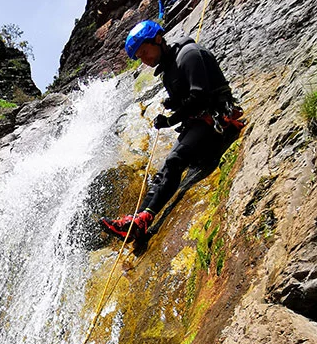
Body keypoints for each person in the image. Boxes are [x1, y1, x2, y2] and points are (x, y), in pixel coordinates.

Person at [100, 20, 244, 244]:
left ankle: (141, 221)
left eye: (145, 52)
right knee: (165, 171)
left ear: (158, 39)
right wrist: (174, 106)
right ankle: (139, 219)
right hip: (200, 125)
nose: (145, 60)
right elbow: (187, 103)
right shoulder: (168, 72)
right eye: (140, 57)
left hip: (216, 120)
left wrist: (170, 119)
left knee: (175, 160)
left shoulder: (189, 54)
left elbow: (200, 97)